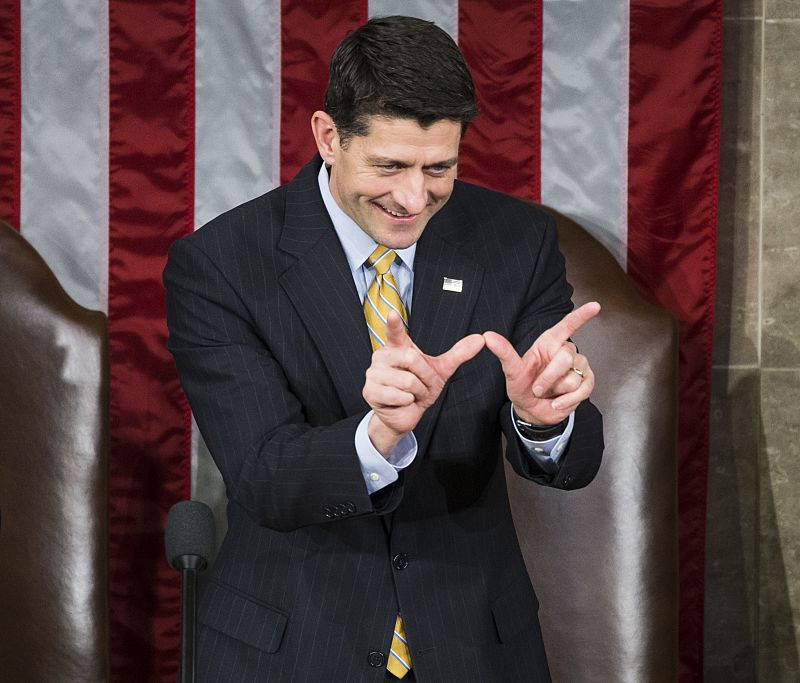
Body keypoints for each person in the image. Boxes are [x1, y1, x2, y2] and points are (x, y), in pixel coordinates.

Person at [164, 15, 603, 683]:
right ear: (329, 137)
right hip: (291, 649)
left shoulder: (516, 242)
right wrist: (377, 435)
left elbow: (572, 455)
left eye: (439, 168)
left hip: (475, 646)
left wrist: (544, 420)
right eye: (390, 165)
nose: (412, 196)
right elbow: (264, 475)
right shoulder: (222, 264)